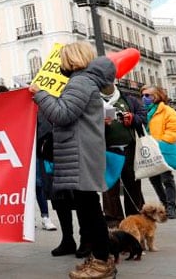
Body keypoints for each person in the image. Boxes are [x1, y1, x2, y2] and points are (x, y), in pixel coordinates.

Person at [30, 41, 116, 279]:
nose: (60, 63)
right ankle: (98, 258)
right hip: (81, 152)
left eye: (62, 58)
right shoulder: (84, 81)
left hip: (80, 154)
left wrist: (40, 94)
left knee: (90, 210)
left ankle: (102, 263)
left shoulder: (79, 81)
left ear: (72, 59)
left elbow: (62, 113)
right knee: (89, 208)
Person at [101, 82, 146, 227]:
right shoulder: (93, 100)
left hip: (129, 149)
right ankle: (114, 224)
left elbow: (142, 116)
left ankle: (135, 222)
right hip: (106, 151)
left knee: (133, 186)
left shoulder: (128, 99)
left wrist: (132, 118)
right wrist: (99, 123)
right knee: (109, 189)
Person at [140, 85, 176, 219]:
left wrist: (160, 143)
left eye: (147, 95)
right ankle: (164, 204)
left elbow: (175, 131)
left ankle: (171, 206)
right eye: (142, 95)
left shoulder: (167, 111)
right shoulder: (143, 111)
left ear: (156, 96)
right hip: (148, 151)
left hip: (162, 150)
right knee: (154, 180)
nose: (144, 98)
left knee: (167, 179)